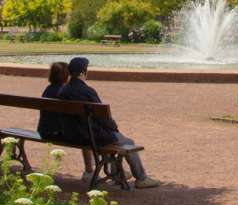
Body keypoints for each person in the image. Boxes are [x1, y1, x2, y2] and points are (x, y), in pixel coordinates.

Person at [58, 57, 160, 189]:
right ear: (83, 73)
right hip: (89, 136)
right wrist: (114, 128)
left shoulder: (63, 90)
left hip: (70, 134)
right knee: (128, 142)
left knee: (115, 138)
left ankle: (116, 173)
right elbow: (103, 117)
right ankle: (141, 178)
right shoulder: (87, 91)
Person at [37, 61, 95, 183]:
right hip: (62, 134)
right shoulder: (66, 91)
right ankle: (89, 171)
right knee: (87, 135)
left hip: (44, 131)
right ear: (66, 75)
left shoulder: (47, 90)